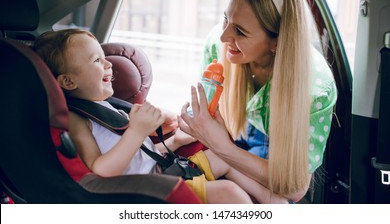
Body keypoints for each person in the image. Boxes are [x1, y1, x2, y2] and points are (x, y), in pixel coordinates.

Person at [33, 28, 281, 204]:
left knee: (222, 154)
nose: (108, 63)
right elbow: (100, 171)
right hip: (147, 189)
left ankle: (272, 201)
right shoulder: (77, 120)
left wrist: (175, 142)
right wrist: (137, 130)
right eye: (96, 60)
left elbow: (139, 153)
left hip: (160, 169)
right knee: (230, 193)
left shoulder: (107, 107)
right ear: (67, 81)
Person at [179, 0, 338, 203]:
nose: (224, 36)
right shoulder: (218, 43)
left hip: (278, 143)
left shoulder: (315, 88)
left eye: (240, 31)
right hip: (236, 129)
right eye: (226, 19)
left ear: (276, 41)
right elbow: (215, 114)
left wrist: (225, 151)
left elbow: (294, 187)